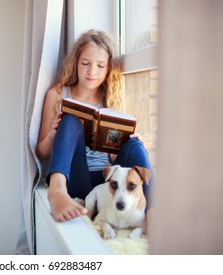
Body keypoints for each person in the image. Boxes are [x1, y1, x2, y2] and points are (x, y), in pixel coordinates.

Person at [36, 29, 153, 223]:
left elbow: (115, 159)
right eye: (85, 63)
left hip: (109, 182)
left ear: (108, 69)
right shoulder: (56, 95)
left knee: (135, 144)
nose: (92, 72)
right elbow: (41, 152)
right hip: (76, 177)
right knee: (70, 119)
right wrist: (53, 134)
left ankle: (154, 211)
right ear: (76, 63)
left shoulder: (112, 100)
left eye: (100, 66)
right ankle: (56, 191)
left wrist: (128, 142)